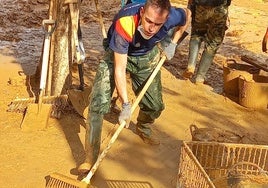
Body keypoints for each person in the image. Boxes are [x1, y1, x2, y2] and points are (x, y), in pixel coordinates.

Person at [78, 0, 191, 174]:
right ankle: (90, 158)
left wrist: (174, 42)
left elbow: (188, 15)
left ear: (166, 18)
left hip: (147, 55)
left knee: (155, 106)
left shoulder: (172, 17)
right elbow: (120, 68)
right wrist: (125, 104)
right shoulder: (125, 22)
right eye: (148, 21)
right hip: (118, 55)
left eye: (158, 24)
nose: (151, 28)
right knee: (97, 104)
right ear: (142, 12)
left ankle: (143, 126)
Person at [182, 0, 231, 84]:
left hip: (200, 6)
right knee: (213, 43)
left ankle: (191, 65)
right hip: (219, 8)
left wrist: (190, 5)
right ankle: (200, 77)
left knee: (197, 34)